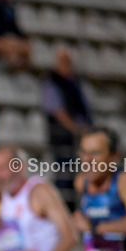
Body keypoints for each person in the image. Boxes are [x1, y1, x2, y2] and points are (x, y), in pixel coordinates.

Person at [43, 48, 92, 209]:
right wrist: (76, 128)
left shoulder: (74, 83)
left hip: (76, 140)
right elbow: (57, 111)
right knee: (64, 175)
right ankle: (62, 209)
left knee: (77, 176)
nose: (68, 66)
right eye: (65, 62)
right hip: (63, 139)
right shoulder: (52, 83)